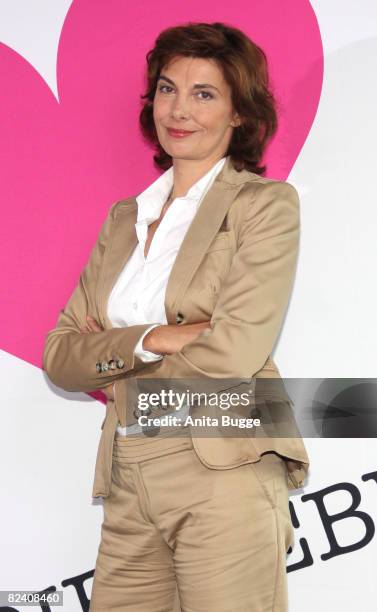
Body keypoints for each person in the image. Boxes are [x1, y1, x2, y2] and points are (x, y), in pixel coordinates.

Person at [43, 21, 310, 612]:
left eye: (204, 93)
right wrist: (156, 337)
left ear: (240, 113)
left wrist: (115, 359)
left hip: (223, 467)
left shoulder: (263, 207)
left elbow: (234, 352)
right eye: (167, 89)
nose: (179, 110)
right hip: (126, 474)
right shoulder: (123, 219)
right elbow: (61, 357)